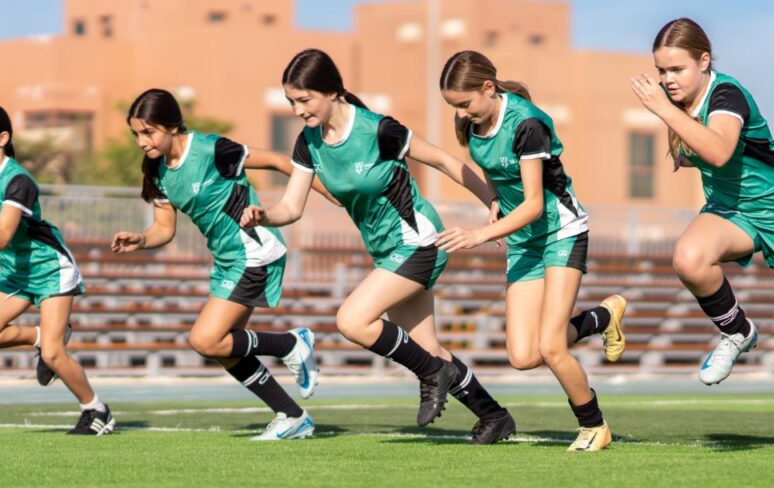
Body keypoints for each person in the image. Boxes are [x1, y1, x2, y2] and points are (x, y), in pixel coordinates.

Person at [242, 49, 516, 444]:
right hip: (388, 253)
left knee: (353, 321)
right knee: (426, 347)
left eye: (304, 100)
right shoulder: (308, 143)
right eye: (291, 102)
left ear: (332, 92)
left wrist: (492, 201)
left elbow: (443, 161)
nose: (298, 110)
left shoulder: (378, 130)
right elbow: (291, 207)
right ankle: (494, 416)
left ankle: (432, 374)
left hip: (419, 240)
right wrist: (264, 216)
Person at [630, 17, 774, 454]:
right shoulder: (679, 104)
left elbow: (720, 151)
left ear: (704, 61)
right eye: (661, 71)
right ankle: (738, 331)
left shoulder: (727, 95)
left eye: (677, 69)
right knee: (688, 258)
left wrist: (664, 111)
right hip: (732, 210)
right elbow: (688, 153)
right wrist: (675, 126)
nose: (667, 79)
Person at [111, 88, 329, 440]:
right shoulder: (157, 170)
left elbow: (278, 161)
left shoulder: (211, 149)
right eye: (136, 134)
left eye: (148, 132)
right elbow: (164, 229)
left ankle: (291, 344)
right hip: (227, 259)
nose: (141, 142)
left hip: (253, 250)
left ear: (172, 126)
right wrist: (141, 239)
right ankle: (292, 416)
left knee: (205, 340)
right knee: (225, 348)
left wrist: (332, 193)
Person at [437, 50, 627, 452]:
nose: (460, 113)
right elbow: (492, 168)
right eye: (454, 106)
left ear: (488, 87)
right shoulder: (471, 124)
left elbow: (535, 205)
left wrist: (479, 235)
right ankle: (602, 317)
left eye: (465, 103)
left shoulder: (527, 124)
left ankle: (594, 426)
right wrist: (493, 199)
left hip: (561, 231)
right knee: (523, 356)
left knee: (551, 347)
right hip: (524, 240)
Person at [0, 104, 114, 435]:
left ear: (3, 138)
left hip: (49, 269)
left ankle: (96, 409)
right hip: (15, 271)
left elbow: (3, 234)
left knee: (55, 356)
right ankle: (41, 337)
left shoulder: (18, 181)